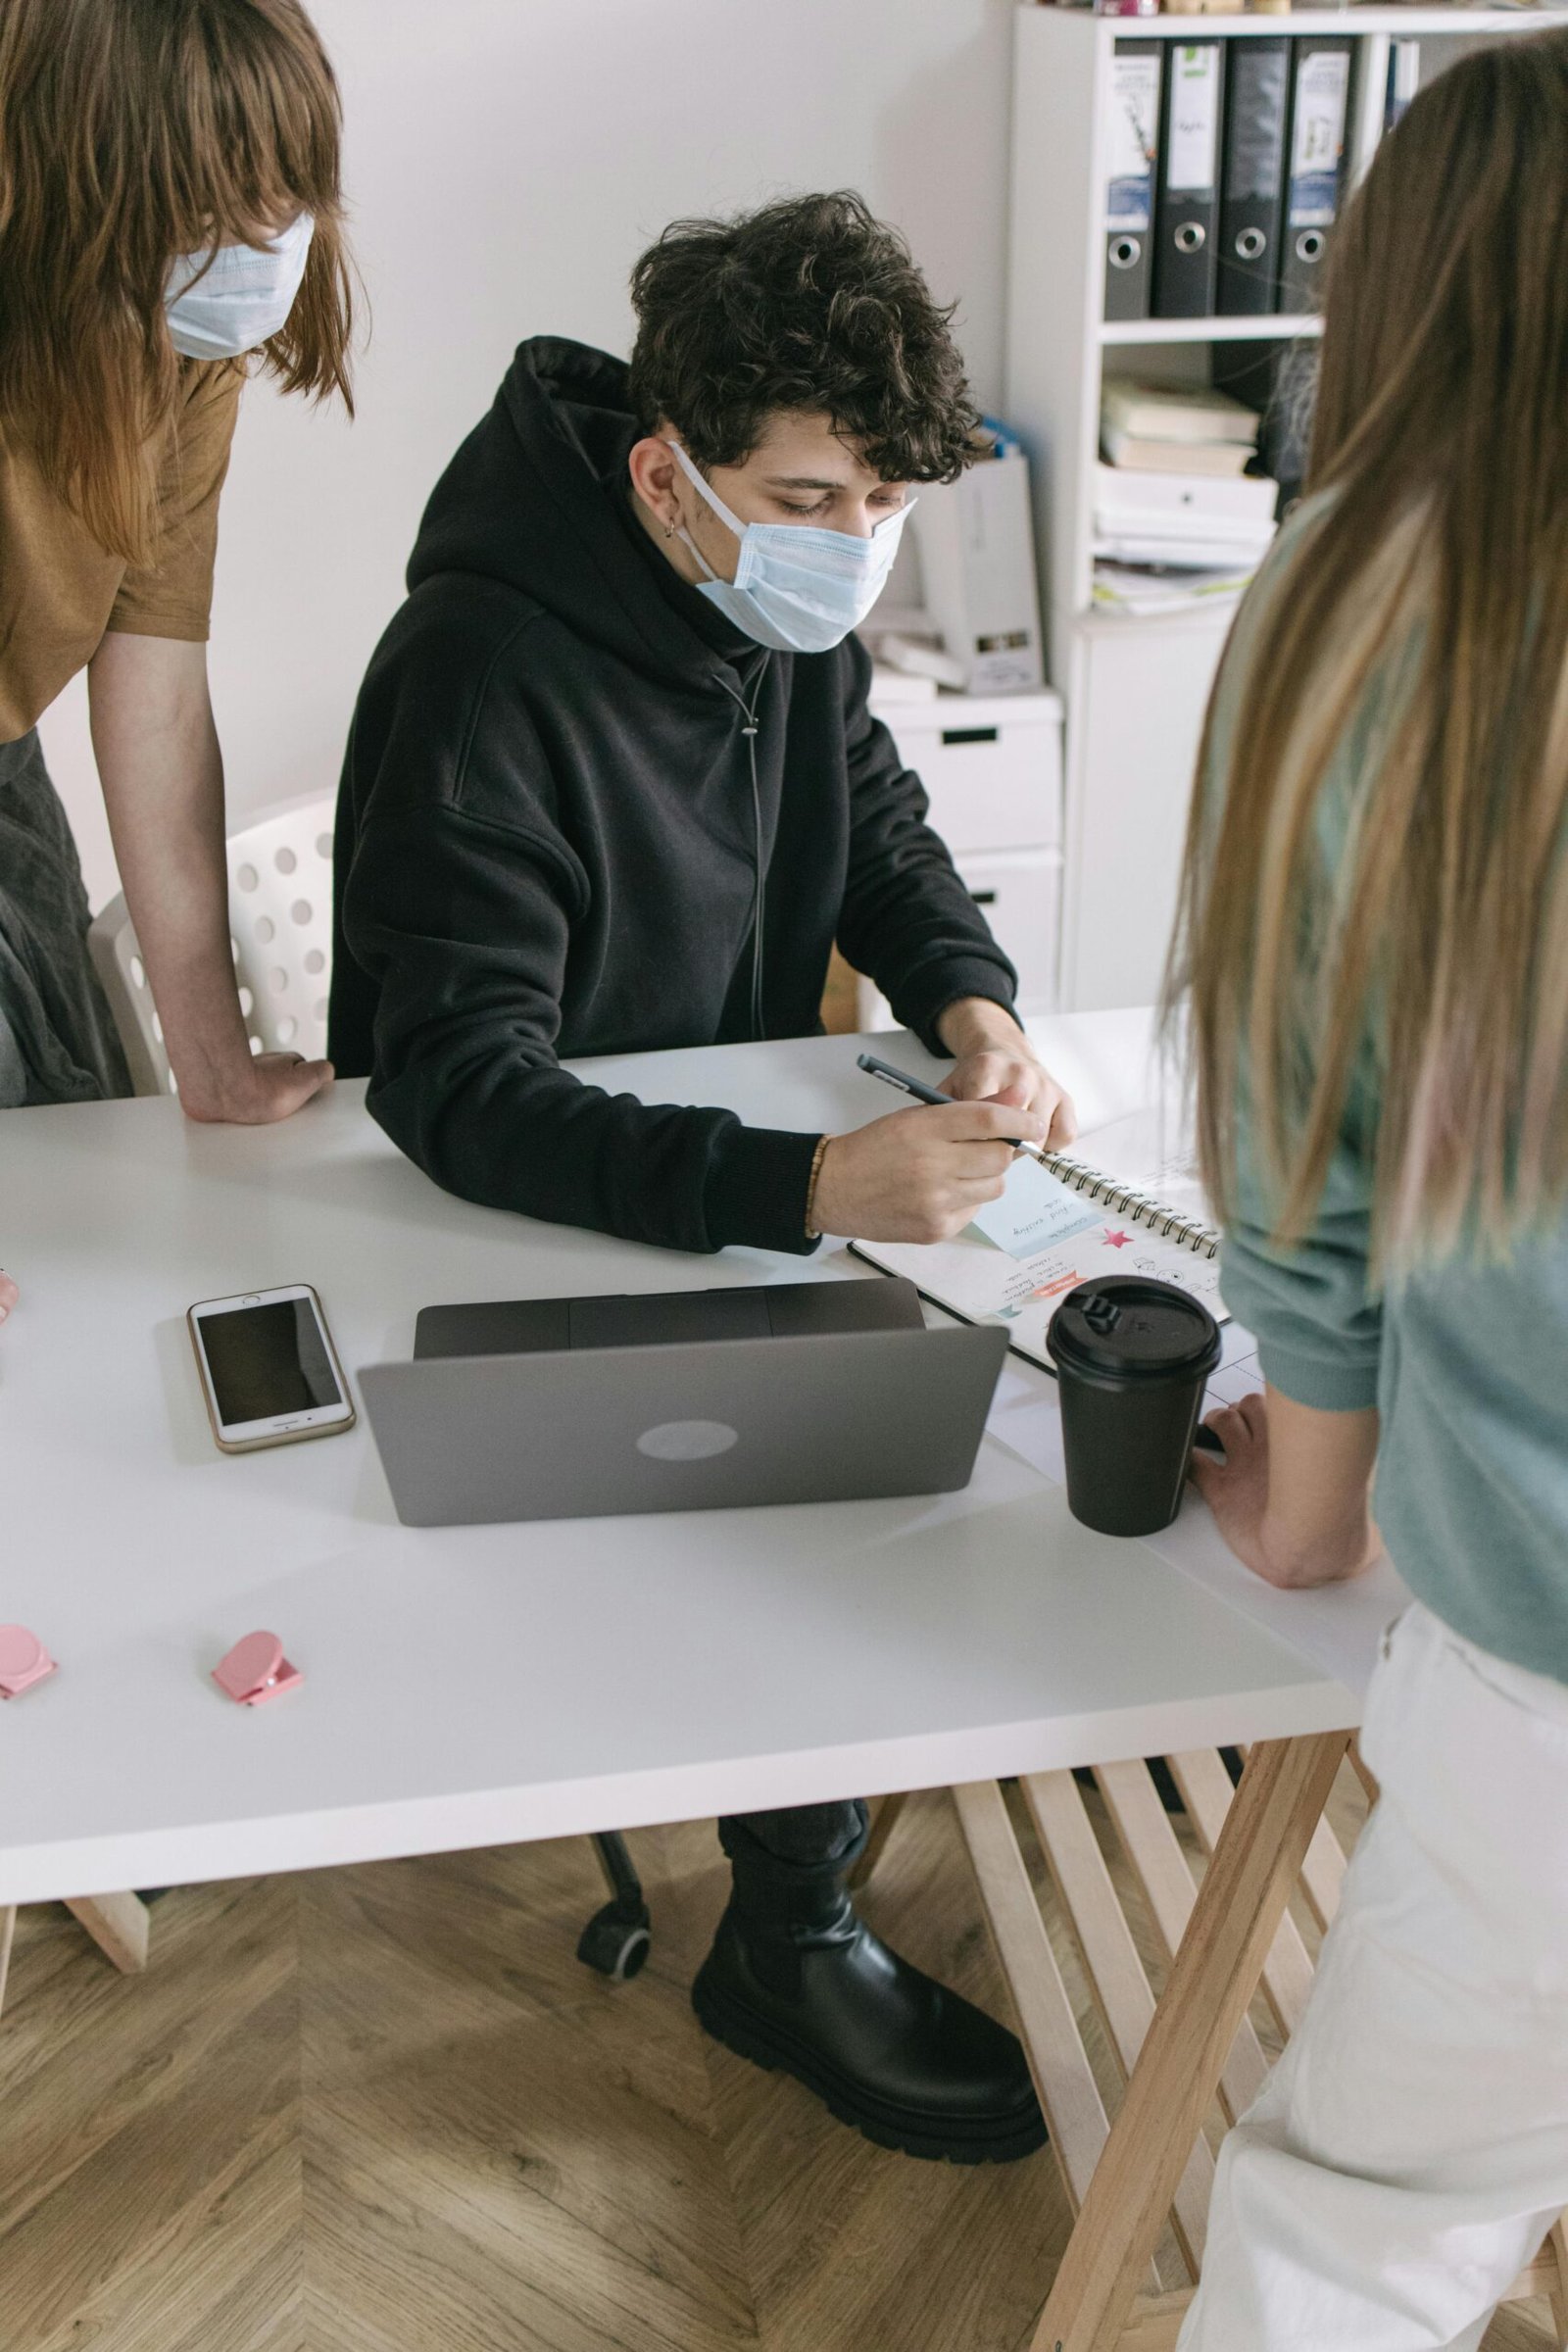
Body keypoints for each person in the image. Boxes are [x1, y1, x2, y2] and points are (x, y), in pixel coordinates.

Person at [331, 192, 1074, 2162]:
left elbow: (875, 826)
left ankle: (800, 1891)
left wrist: (970, 999)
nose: (850, 552)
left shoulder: (778, 607)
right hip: (528, 1215)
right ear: (666, 477)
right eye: (809, 499)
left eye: (881, 508)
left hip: (744, 1174)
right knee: (816, 1509)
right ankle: (789, 1927)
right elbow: (454, 1089)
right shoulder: (479, 671)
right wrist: (819, 1180)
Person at [1165, 34, 1568, 2348]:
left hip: (1539, 1673)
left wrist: (1311, 1511)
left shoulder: (1352, 601)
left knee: (1346, 2237)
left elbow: (1303, 1183)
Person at [0, 0, 352, 1124]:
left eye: (283, 200)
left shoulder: (183, 347)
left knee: (73, 1146)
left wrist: (213, 1062)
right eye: (206, 211)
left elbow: (154, 692)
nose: (258, 249)